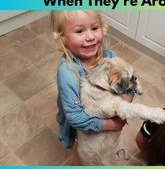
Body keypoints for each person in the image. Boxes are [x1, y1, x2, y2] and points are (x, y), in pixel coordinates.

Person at [51, 10, 132, 163]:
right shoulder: (67, 72)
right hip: (81, 129)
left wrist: (124, 105)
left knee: (106, 143)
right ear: (63, 38)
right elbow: (76, 117)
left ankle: (110, 154)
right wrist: (112, 124)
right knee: (80, 151)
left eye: (94, 28)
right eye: (79, 31)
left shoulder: (108, 55)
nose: (90, 37)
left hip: (105, 114)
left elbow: (128, 84)